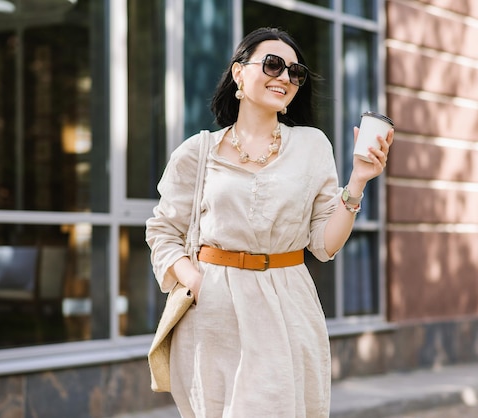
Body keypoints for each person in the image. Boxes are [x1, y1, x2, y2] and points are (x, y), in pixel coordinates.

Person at [145, 27, 393, 418]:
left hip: (286, 305)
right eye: (273, 64)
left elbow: (324, 245)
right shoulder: (197, 152)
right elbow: (163, 231)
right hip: (212, 314)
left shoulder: (312, 145)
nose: (285, 77)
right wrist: (195, 280)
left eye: (295, 72)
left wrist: (357, 182)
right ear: (239, 73)